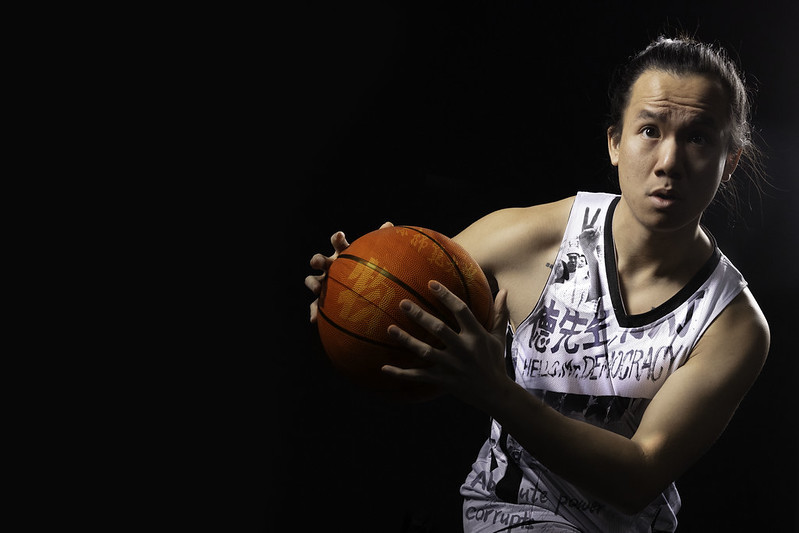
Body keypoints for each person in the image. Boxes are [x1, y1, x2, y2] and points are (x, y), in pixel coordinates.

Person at [305, 36, 769, 532]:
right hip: (505, 511)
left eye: (698, 137)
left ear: (730, 160)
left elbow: (637, 477)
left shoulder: (732, 325)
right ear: (615, 142)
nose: (669, 161)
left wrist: (495, 391)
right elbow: (406, 302)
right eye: (650, 130)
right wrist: (353, 288)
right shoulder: (532, 238)